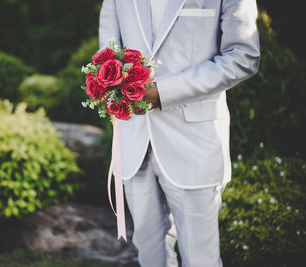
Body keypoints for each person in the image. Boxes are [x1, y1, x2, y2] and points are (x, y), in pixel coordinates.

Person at [98, 0, 260, 266]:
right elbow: (107, 54)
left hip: (194, 143)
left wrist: (163, 93)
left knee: (200, 259)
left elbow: (243, 56)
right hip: (135, 141)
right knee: (150, 256)